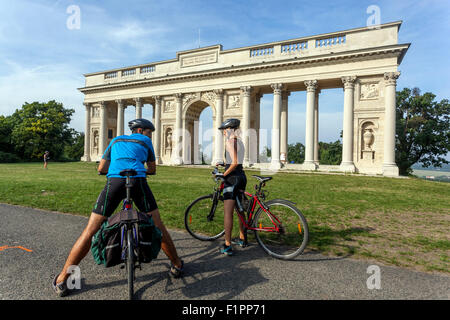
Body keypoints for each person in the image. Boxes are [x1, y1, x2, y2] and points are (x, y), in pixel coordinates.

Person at [52, 118, 184, 297]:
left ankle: (62, 279)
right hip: (137, 181)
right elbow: (152, 169)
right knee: (157, 225)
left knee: (90, 230)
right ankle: (176, 264)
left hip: (114, 181)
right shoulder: (145, 141)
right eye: (149, 132)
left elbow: (101, 167)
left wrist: (109, 170)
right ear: (140, 130)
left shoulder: (115, 141)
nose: (150, 135)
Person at [215, 118, 247, 256]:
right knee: (240, 210)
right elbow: (236, 162)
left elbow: (233, 163)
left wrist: (223, 174)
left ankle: (227, 245)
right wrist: (224, 164)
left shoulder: (229, 142)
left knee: (228, 213)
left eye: (224, 130)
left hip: (232, 179)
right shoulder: (240, 142)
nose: (223, 133)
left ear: (230, 130)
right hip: (241, 177)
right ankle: (242, 238)